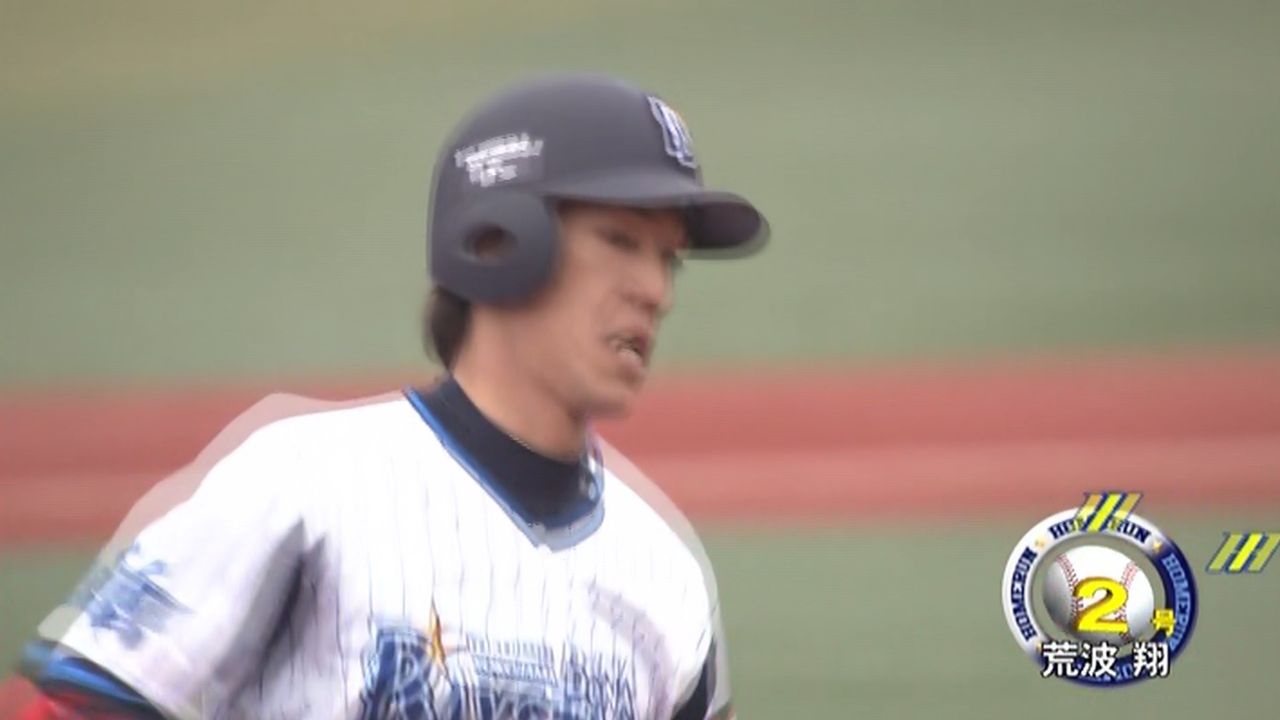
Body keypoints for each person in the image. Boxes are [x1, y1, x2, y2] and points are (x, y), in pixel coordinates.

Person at [9, 72, 769, 719]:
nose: (656, 291)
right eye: (621, 242)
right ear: (497, 241)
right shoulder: (302, 484)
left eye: (669, 260)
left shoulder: (667, 581)